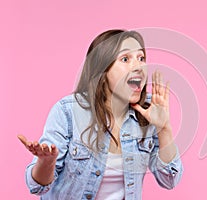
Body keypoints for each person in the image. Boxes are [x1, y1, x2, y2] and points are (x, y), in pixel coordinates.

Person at [18, 29, 183, 200]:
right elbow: (37, 186)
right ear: (102, 69)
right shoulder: (68, 112)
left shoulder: (147, 113)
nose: (139, 67)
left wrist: (164, 128)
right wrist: (47, 162)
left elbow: (169, 180)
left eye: (141, 58)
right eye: (125, 59)